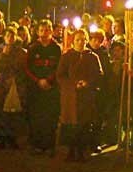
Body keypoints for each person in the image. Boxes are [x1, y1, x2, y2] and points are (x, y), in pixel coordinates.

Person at [57, 29, 103, 161]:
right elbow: (60, 75)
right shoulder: (67, 56)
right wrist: (73, 84)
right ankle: (71, 151)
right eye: (78, 39)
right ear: (73, 41)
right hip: (71, 97)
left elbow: (99, 74)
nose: (80, 42)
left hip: (86, 96)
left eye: (83, 39)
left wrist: (87, 83)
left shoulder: (93, 57)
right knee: (71, 124)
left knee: (84, 124)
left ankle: (82, 150)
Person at [25, 19, 61, 155]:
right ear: (37, 32)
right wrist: (38, 80)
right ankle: (37, 145)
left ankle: (49, 145)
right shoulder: (33, 48)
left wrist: (48, 80)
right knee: (36, 116)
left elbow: (59, 67)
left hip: (51, 88)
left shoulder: (56, 48)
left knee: (50, 117)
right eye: (41, 30)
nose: (44, 33)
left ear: (51, 31)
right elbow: (27, 67)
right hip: (36, 88)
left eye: (47, 30)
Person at [0, 27, 28, 149]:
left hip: (15, 84)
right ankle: (2, 138)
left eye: (13, 36)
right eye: (8, 36)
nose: (10, 38)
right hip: (1, 85)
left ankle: (12, 138)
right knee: (0, 112)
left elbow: (22, 67)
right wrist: (3, 55)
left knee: (14, 113)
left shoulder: (21, 51)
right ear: (4, 37)